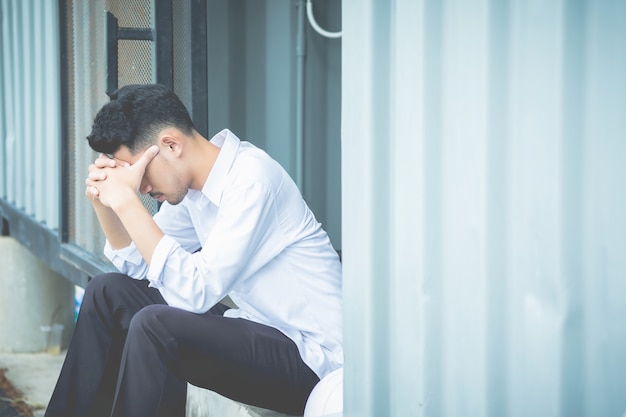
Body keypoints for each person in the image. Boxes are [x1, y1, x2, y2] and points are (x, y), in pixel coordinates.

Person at [44, 84, 343, 417]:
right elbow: (139, 268)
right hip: (258, 327)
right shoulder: (193, 190)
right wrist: (104, 204)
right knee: (107, 292)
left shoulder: (252, 179)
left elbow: (196, 292)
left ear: (171, 144)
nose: (141, 186)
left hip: (315, 359)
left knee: (155, 326)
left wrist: (128, 202)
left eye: (141, 171)